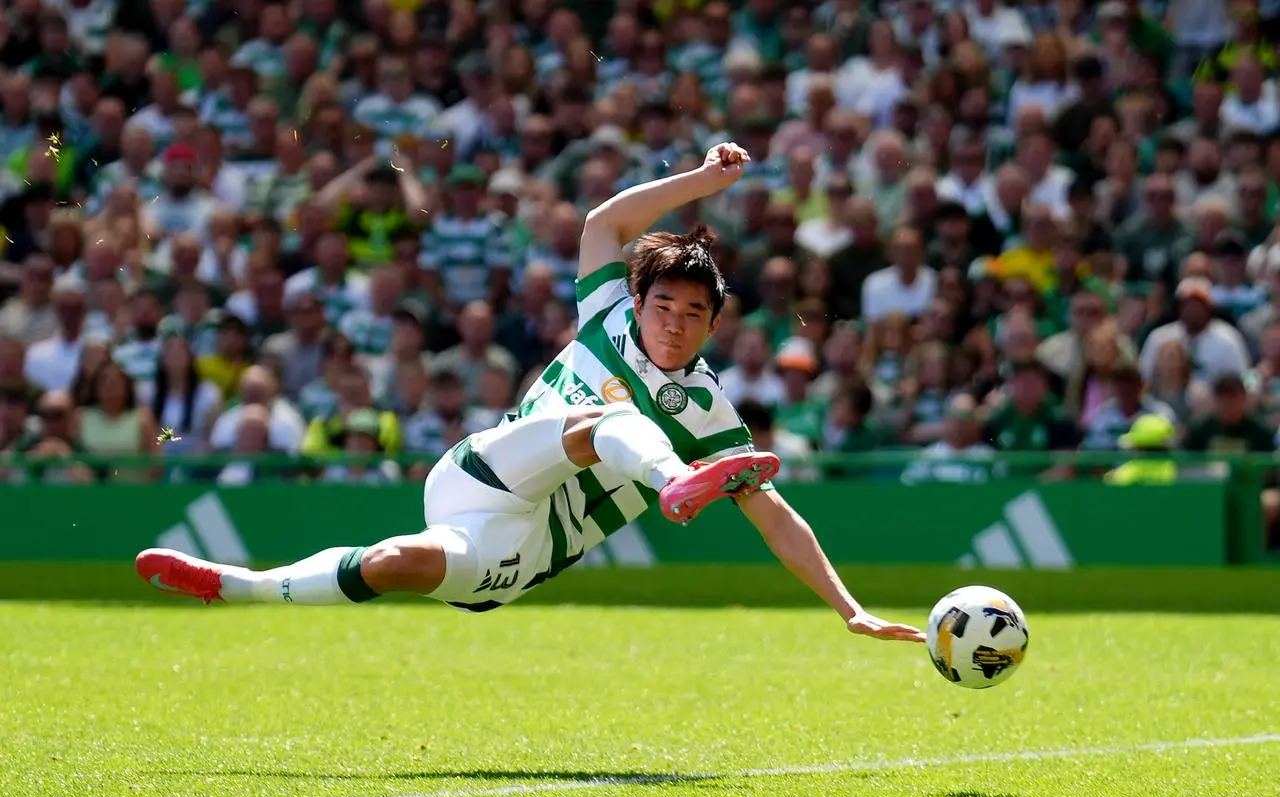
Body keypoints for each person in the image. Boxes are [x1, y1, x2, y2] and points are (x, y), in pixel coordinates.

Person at [134, 144, 924, 644]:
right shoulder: (606, 313)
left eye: (694, 314)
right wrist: (703, 180)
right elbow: (603, 221)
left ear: (715, 325)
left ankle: (237, 585)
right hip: (480, 473)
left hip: (522, 547)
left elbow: (775, 514)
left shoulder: (709, 408)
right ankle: (674, 483)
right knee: (605, 419)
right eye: (663, 306)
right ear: (638, 302)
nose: (675, 323)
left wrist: (847, 606)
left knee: (390, 560)